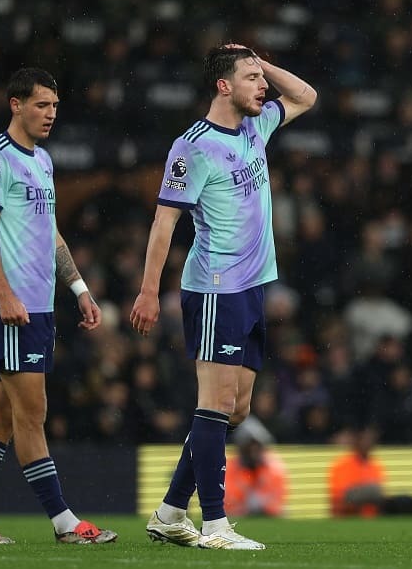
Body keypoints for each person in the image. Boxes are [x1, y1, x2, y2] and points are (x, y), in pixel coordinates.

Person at [130, 44, 317, 549]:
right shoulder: (193, 147)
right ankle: (214, 524)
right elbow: (164, 222)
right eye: (252, 78)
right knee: (214, 404)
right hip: (215, 287)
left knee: (236, 411)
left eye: (262, 77)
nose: (264, 86)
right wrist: (150, 291)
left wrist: (260, 59)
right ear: (223, 86)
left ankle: (170, 512)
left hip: (252, 289)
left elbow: (306, 95)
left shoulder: (256, 126)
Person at [0, 68, 117, 545]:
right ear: (15, 104)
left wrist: (79, 289)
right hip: (12, 307)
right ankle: (65, 524)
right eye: (42, 105)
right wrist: (3, 294)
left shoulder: (42, 161)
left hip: (40, 306)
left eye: (55, 107)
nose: (51, 115)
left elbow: (51, 232)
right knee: (32, 414)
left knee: (3, 413)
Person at [328, 425, 412, 517]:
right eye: (365, 439)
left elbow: (379, 495)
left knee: (405, 502)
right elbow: (341, 498)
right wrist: (369, 493)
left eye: (371, 439)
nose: (368, 443)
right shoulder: (342, 465)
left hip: (372, 515)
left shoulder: (376, 465)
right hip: (348, 516)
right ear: (357, 440)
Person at [224, 415, 288, 517]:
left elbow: (278, 503)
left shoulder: (274, 469)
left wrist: (262, 504)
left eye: (257, 447)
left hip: (268, 520)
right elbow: (227, 503)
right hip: (237, 521)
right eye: (248, 448)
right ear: (241, 448)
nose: (253, 453)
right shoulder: (228, 469)